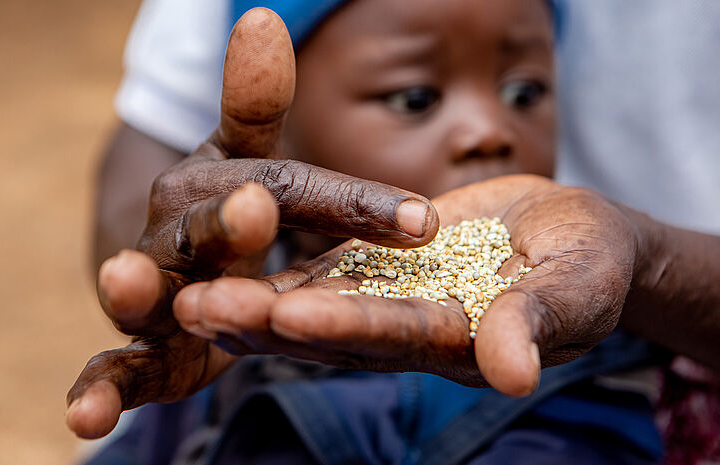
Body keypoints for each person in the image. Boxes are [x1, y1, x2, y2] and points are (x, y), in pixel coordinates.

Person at [67, 1, 720, 463]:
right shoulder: (219, 343)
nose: (488, 129)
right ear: (281, 137)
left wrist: (645, 260)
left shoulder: (573, 392)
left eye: (523, 91)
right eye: (415, 99)